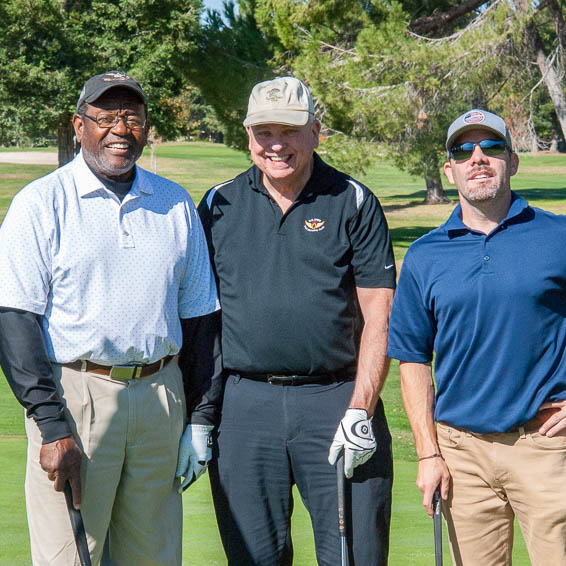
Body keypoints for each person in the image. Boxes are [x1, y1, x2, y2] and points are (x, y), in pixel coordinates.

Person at [0, 70, 221, 566]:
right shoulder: (41, 204)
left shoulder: (175, 203)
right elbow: (15, 322)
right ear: (79, 126)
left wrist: (200, 419)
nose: (120, 129)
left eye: (133, 118)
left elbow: (201, 322)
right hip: (76, 400)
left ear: (146, 127)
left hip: (161, 397)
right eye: (105, 117)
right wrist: (51, 425)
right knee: (70, 557)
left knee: (153, 557)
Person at [198, 76, 396, 566]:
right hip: (245, 407)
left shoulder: (352, 200)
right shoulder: (217, 205)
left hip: (336, 402)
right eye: (264, 131)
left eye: (289, 130)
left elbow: (379, 313)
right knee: (255, 558)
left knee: (355, 557)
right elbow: (198, 317)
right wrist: (198, 416)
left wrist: (361, 408)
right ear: (247, 135)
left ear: (315, 131)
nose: (276, 144)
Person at [388, 109, 566, 566]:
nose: (478, 158)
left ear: (513, 160)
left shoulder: (557, 235)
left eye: (491, 147)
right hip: (461, 455)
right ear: (449, 169)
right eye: (463, 150)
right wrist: (428, 453)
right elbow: (411, 360)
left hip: (546, 448)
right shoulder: (425, 254)